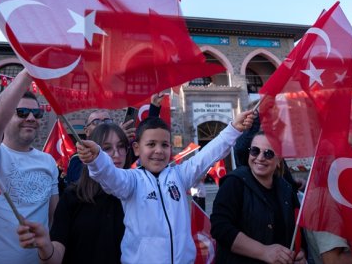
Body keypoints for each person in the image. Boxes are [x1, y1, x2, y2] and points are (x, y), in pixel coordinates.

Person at [78, 110, 254, 263]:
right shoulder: (131, 181)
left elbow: (207, 155)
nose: (159, 151)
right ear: (137, 148)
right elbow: (110, 175)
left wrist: (233, 129)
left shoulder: (179, 175)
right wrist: (97, 159)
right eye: (151, 144)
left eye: (164, 145)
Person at [0, 69, 59, 264]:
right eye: (22, 112)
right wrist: (29, 71)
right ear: (6, 117)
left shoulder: (48, 162)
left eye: (37, 113)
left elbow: (54, 217)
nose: (31, 118)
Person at [17, 122, 132, 263]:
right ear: (90, 153)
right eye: (106, 148)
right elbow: (55, 256)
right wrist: (45, 246)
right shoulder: (73, 196)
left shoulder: (136, 194)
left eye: (121, 146)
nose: (116, 154)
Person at [211, 131, 305, 264]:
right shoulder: (234, 182)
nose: (260, 158)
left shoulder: (286, 189)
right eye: (255, 151)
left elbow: (298, 229)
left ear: (279, 160)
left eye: (268, 153)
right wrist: (264, 251)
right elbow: (220, 228)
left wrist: (300, 253)